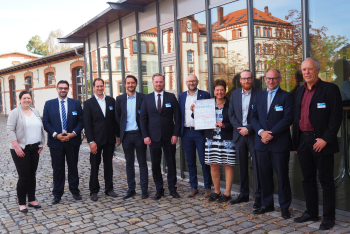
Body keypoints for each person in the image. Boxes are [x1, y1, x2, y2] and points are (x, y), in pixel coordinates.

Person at [292, 58, 342, 230]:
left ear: (317, 70)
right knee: (307, 179)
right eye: (304, 69)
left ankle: (328, 217)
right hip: (303, 141)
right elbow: (296, 118)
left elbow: (336, 117)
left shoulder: (330, 89)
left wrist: (325, 139)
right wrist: (296, 143)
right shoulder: (299, 91)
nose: (306, 72)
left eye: (310, 69)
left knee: (326, 180)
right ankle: (311, 212)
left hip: (321, 141)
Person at [250, 68, 293, 219]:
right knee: (264, 176)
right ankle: (266, 204)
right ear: (265, 79)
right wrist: (261, 132)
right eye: (268, 78)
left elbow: (288, 119)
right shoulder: (259, 96)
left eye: (274, 78)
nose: (271, 81)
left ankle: (284, 206)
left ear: (280, 79)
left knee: (282, 176)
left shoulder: (287, 97)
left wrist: (271, 134)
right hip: (261, 143)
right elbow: (253, 118)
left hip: (279, 143)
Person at [192, 79, 235, 203]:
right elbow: (199, 119)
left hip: (226, 139)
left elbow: (235, 121)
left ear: (225, 90)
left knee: (228, 165)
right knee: (214, 166)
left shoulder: (230, 104)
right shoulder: (208, 104)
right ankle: (217, 191)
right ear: (214, 91)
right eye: (217, 90)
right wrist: (194, 111)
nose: (219, 92)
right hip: (211, 139)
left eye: (222, 90)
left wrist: (224, 125)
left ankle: (227, 193)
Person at [140, 73, 181, 200]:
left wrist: (175, 134)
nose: (159, 84)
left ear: (164, 83)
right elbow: (143, 119)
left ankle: (173, 189)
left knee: (171, 163)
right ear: (153, 83)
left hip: (169, 137)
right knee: (155, 164)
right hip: (153, 138)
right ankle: (159, 189)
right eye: (156, 82)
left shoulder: (171, 97)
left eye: (161, 82)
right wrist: (145, 136)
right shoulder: (147, 99)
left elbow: (177, 117)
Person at [42, 80, 84, 204]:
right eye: (61, 88)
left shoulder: (76, 103)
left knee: (73, 167)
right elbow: (45, 122)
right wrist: (56, 135)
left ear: (68, 89)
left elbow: (81, 121)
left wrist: (73, 134)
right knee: (57, 168)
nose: (63, 90)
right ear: (57, 89)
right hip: (56, 142)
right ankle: (57, 193)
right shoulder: (49, 104)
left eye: (65, 88)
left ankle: (75, 191)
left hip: (72, 141)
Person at [7, 90, 46, 213]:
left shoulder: (35, 111)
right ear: (20, 99)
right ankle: (22, 203)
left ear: (31, 99)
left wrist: (41, 143)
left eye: (28, 98)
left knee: (32, 175)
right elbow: (10, 131)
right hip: (21, 149)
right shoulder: (15, 113)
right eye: (24, 98)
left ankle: (32, 199)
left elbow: (40, 128)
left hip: (35, 148)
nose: (26, 100)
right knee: (24, 176)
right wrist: (17, 147)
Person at [228, 70, 261, 208]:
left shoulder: (259, 94)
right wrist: (241, 128)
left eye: (248, 78)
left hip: (253, 134)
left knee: (257, 167)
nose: (246, 81)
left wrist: (249, 128)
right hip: (239, 135)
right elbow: (231, 114)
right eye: (243, 79)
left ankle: (258, 196)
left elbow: (260, 114)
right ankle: (244, 194)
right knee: (242, 166)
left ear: (252, 79)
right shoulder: (234, 94)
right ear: (240, 81)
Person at [83, 78, 118, 201]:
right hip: (96, 141)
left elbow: (115, 120)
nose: (99, 88)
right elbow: (87, 124)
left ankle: (109, 189)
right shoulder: (88, 103)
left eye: (101, 86)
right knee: (95, 166)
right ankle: (94, 190)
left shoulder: (111, 101)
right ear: (93, 87)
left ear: (104, 86)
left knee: (109, 165)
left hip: (109, 139)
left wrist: (117, 135)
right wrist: (91, 141)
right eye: (97, 86)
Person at [178, 74, 212, 198]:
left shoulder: (205, 95)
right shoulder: (181, 96)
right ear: (186, 82)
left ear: (197, 82)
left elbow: (208, 113)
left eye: (193, 81)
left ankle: (208, 187)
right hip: (186, 132)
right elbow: (179, 115)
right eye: (189, 81)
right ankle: (194, 187)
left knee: (204, 161)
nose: (191, 83)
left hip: (200, 132)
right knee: (191, 161)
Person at [115, 75, 149, 199]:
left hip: (140, 135)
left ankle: (144, 189)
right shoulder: (119, 99)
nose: (130, 85)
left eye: (132, 83)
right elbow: (117, 118)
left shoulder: (143, 98)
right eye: (128, 83)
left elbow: (146, 117)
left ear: (136, 84)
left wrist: (146, 134)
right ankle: (131, 189)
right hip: (127, 136)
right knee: (129, 163)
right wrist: (119, 135)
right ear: (125, 84)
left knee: (142, 163)